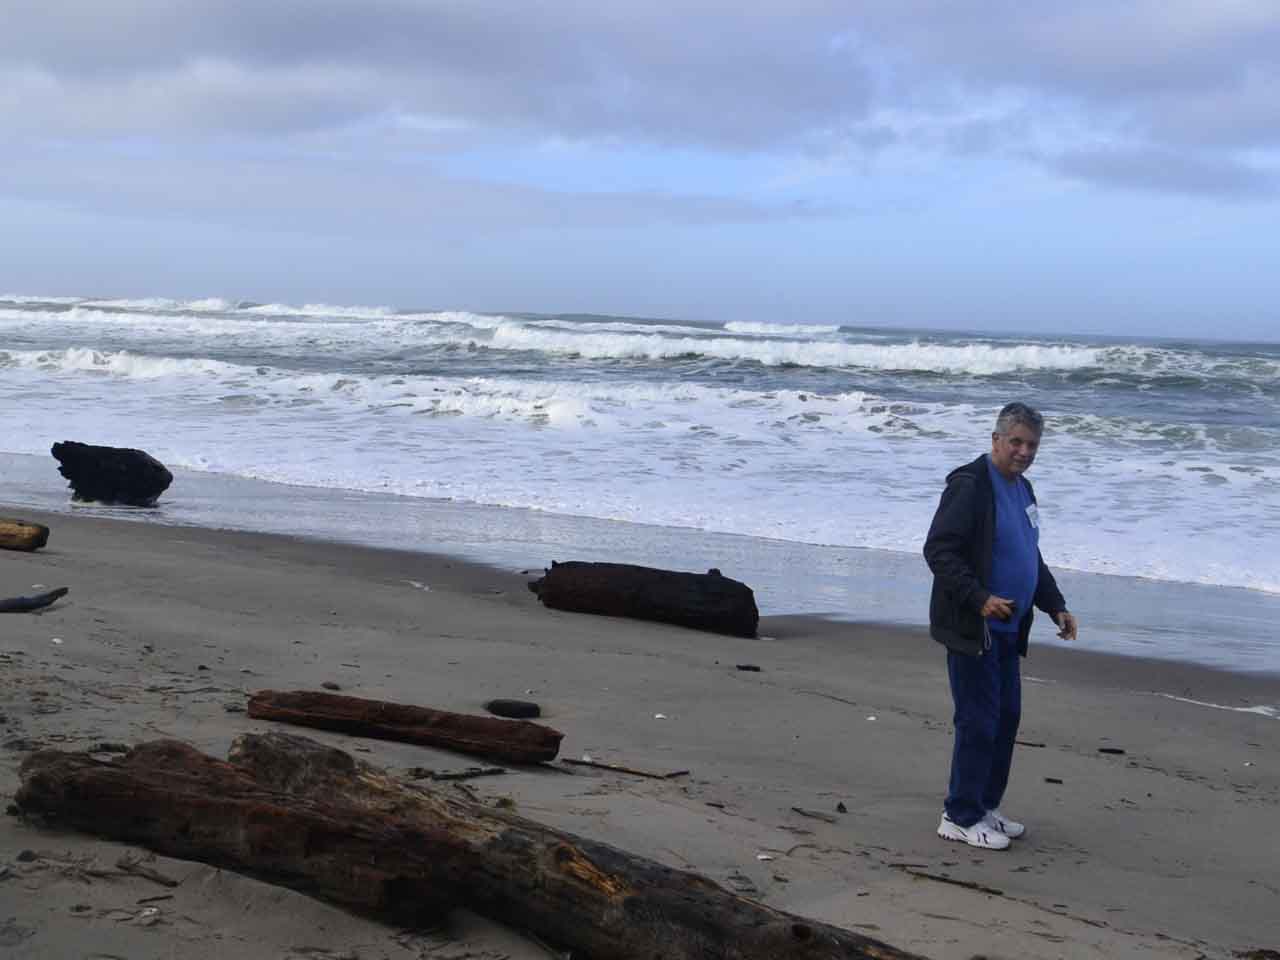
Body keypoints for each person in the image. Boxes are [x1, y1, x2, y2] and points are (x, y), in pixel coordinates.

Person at [923, 401, 1079, 850]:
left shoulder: (1023, 489)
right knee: (978, 720)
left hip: (1012, 629)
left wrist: (1055, 605)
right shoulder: (970, 485)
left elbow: (1030, 556)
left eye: (1032, 444)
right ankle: (958, 814)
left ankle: (985, 807)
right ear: (996, 440)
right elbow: (939, 551)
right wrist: (980, 599)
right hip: (975, 628)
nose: (1024, 451)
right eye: (1016, 442)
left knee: (1006, 719)